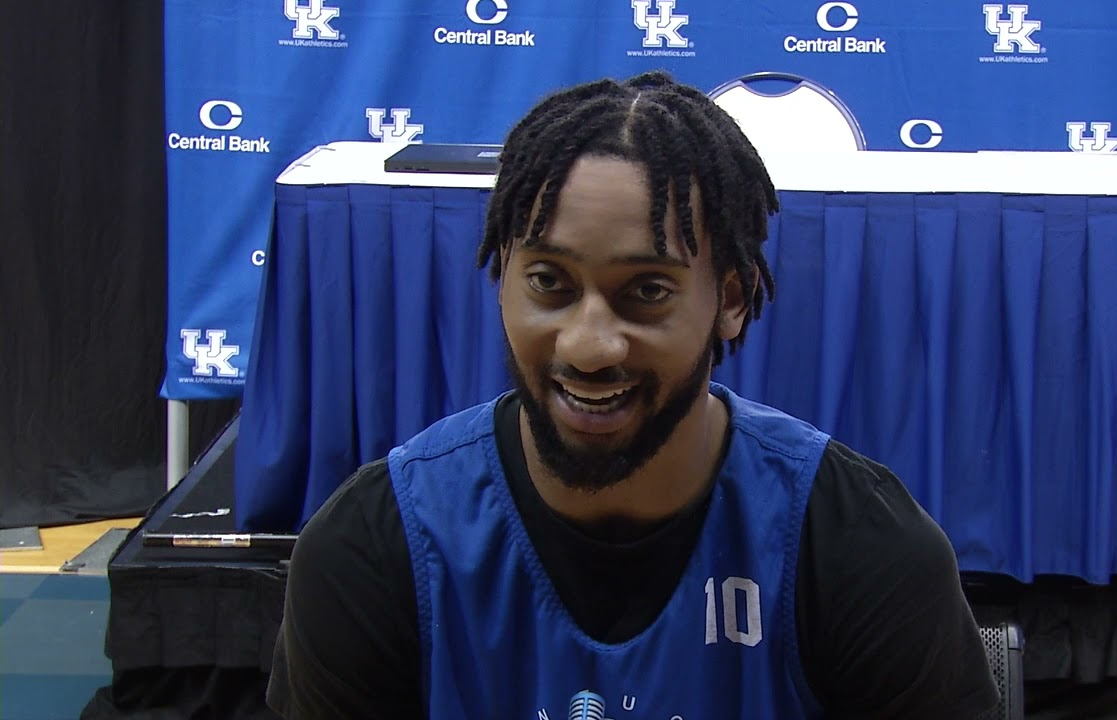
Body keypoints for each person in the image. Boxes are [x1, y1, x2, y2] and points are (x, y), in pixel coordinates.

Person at [266, 71, 1001, 719]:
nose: (588, 347)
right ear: (502, 280)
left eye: (646, 292)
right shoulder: (375, 545)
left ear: (733, 300)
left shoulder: (856, 545)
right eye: (549, 283)